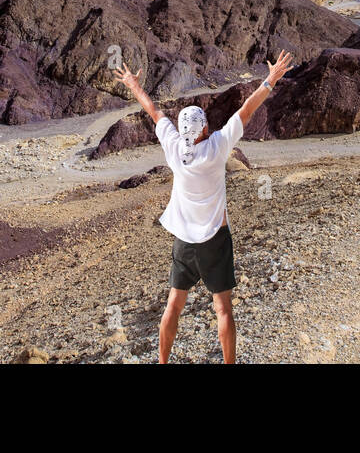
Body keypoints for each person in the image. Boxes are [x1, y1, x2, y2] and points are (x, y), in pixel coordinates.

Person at [113, 51, 294, 363]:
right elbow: (246, 111)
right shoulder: (217, 147)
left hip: (184, 241)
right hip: (216, 239)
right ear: (205, 129)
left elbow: (154, 112)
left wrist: (133, 85)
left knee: (173, 306)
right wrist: (270, 79)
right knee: (222, 308)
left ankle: (163, 361)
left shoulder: (173, 147)